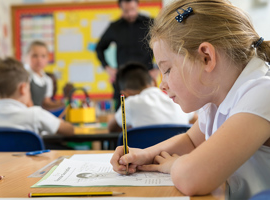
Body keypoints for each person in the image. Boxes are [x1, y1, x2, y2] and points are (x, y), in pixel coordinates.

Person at [110, 0, 270, 199]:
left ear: (206, 57)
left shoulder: (262, 93)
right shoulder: (215, 100)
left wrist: (174, 164)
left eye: (167, 70)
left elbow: (193, 178)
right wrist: (144, 154)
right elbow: (191, 141)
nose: (162, 85)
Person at [0, 57, 74, 137]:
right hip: (29, 161)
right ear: (23, 88)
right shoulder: (35, 114)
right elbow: (69, 130)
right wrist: (58, 121)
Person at [95, 0, 159, 109]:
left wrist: (157, 68)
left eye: (132, 10)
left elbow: (164, 45)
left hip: (145, 77)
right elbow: (99, 48)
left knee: (147, 110)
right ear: (121, 8)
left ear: (137, 6)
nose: (130, 14)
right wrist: (108, 68)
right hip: (123, 79)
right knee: (122, 113)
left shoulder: (150, 23)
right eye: (126, 11)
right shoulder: (115, 27)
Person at [108, 62, 196, 132]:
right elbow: (197, 121)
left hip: (145, 153)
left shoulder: (130, 103)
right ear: (154, 81)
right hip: (180, 153)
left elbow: (112, 128)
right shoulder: (176, 99)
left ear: (125, 93)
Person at [26, 40, 64, 110]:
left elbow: (46, 103)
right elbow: (26, 102)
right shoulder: (24, 75)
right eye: (35, 56)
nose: (39, 60)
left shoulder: (47, 80)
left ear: (48, 58)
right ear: (27, 56)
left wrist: (62, 104)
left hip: (37, 115)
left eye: (43, 56)